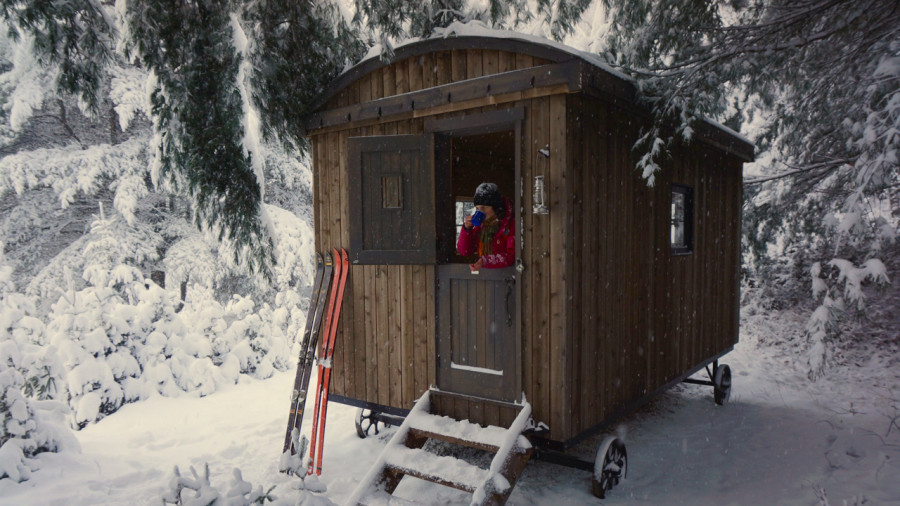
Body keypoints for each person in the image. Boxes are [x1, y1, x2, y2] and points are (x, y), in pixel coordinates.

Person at [456, 182, 515, 271]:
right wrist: (466, 229)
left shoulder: (511, 224)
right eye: (478, 208)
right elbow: (464, 251)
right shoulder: (482, 226)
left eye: (484, 207)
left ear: (495, 207)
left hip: (509, 277)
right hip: (489, 278)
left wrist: (485, 262)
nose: (481, 212)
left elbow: (511, 256)